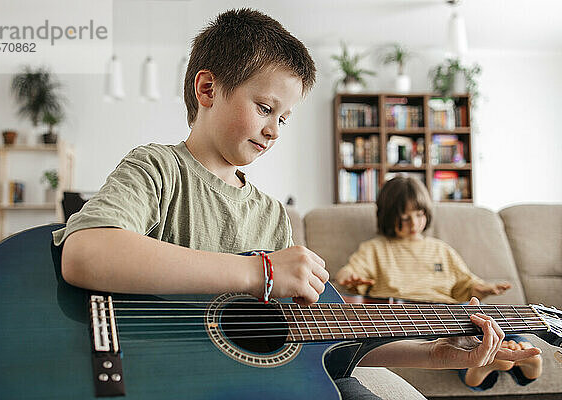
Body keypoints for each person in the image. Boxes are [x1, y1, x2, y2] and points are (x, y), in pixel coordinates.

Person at [54, 9, 540, 400]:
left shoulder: (270, 216)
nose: (274, 131)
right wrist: (258, 273)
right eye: (266, 108)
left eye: (284, 118)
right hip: (142, 372)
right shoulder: (158, 168)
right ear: (207, 89)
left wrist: (437, 355)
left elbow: (308, 344)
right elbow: (85, 254)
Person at [336, 175, 542, 392]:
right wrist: (347, 277)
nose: (414, 223)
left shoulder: (440, 249)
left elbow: (464, 283)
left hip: (450, 310)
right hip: (407, 315)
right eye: (405, 218)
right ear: (388, 218)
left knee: (487, 321)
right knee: (456, 343)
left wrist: (481, 288)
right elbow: (350, 272)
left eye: (419, 214)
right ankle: (478, 369)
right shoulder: (375, 248)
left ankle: (525, 355)